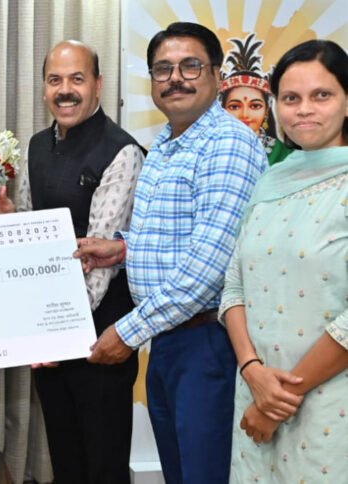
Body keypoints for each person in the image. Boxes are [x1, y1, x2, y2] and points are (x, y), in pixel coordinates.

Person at [74, 22, 267, 483]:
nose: (175, 78)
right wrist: (122, 248)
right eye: (162, 69)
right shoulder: (167, 142)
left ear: (217, 75)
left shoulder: (227, 143)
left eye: (190, 66)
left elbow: (208, 267)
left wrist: (127, 332)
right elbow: (176, 235)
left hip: (209, 343)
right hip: (169, 340)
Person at [220, 39, 348, 482]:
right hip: (254, 400)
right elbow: (234, 286)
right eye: (291, 98)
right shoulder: (270, 180)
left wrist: (276, 404)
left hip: (330, 410)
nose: (304, 110)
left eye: (322, 95)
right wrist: (253, 372)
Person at [18, 40, 144, 484]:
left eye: (77, 79)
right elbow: (28, 235)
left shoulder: (122, 151)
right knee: (66, 460)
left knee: (103, 466)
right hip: (51, 335)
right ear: (44, 88)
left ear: (98, 85)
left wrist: (55, 333)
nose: (65, 90)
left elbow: (100, 261)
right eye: (55, 80)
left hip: (101, 337)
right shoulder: (36, 146)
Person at [220, 33, 292, 165]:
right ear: (222, 110)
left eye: (255, 106)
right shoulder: (207, 149)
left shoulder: (284, 155)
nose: (245, 115)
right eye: (235, 106)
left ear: (266, 111)